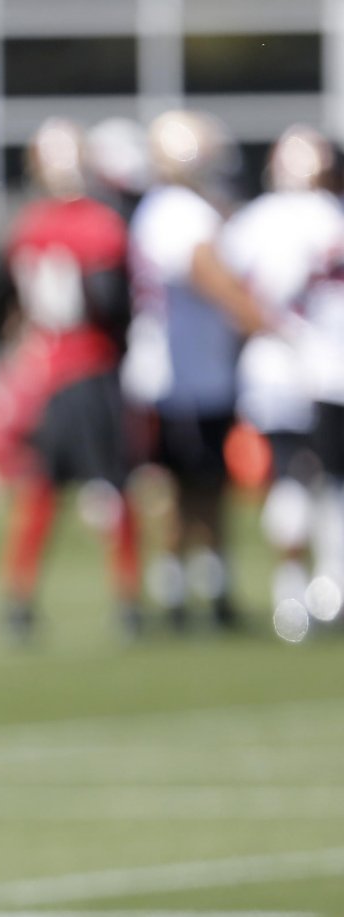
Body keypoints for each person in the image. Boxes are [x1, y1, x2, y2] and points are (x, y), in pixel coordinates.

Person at [0, 119, 142, 642]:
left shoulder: (28, 223)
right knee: (110, 488)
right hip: (87, 364)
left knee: (40, 489)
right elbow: (109, 299)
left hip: (41, 367)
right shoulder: (99, 224)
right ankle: (128, 600)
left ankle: (18, 599)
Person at [121, 111, 263, 630]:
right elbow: (208, 274)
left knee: (198, 485)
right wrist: (260, 322)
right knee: (191, 486)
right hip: (184, 376)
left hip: (185, 371)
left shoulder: (163, 208)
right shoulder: (180, 212)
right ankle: (189, 589)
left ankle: (198, 585)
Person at [217, 126, 344, 643]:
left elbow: (230, 289)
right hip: (328, 367)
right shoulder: (331, 217)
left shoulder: (254, 220)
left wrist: (266, 325)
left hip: (273, 366)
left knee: (289, 477)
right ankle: (330, 588)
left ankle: (290, 594)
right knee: (333, 481)